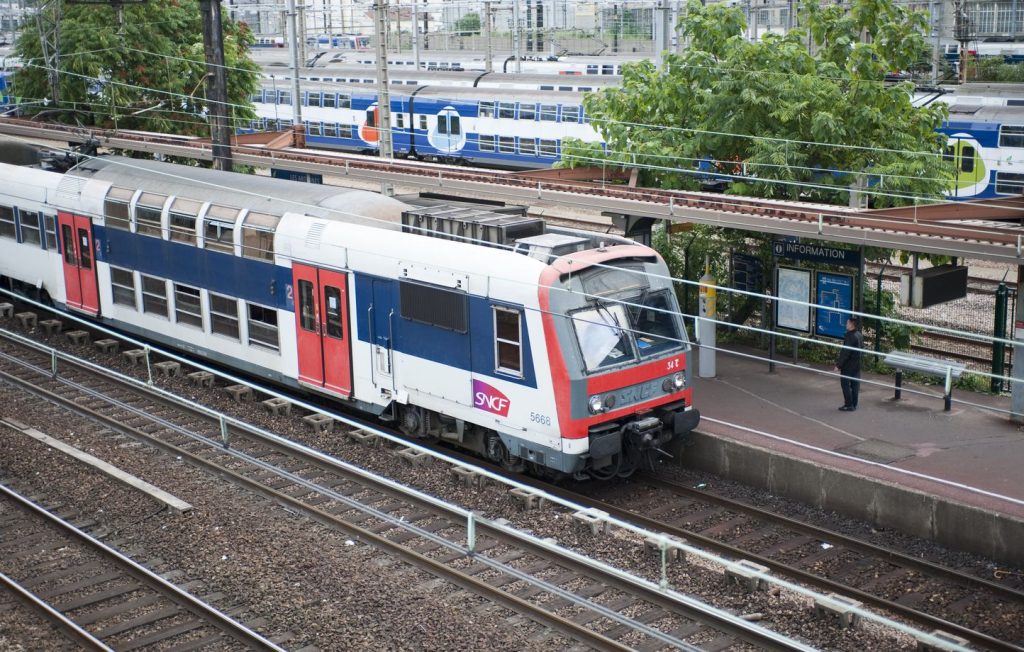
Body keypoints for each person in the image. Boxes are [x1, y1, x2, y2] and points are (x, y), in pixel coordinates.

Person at [834, 316, 863, 411]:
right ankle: (854, 404)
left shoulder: (849, 336)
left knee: (845, 385)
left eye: (847, 323)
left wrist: (839, 365)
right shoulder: (859, 335)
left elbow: (845, 352)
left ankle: (848, 404)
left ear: (851, 325)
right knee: (855, 385)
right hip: (857, 365)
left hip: (848, 366)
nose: (846, 324)